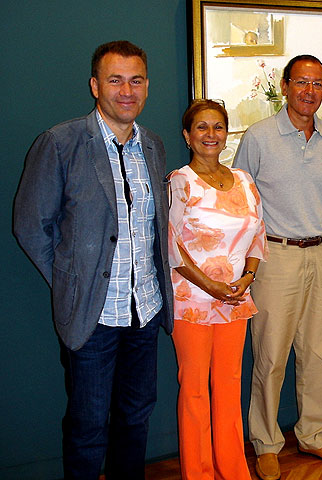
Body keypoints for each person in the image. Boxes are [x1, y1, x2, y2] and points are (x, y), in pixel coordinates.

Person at [13, 40, 173, 479]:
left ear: (146, 86)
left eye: (136, 80)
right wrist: (72, 282)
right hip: (93, 319)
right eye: (115, 79)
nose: (127, 90)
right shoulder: (61, 143)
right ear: (94, 86)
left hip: (145, 311)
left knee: (135, 418)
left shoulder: (153, 145)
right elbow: (30, 226)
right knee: (87, 428)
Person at [233, 54, 322, 480]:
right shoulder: (259, 136)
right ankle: (266, 443)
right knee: (271, 356)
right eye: (301, 82)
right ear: (285, 86)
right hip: (276, 256)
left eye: (318, 84)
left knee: (319, 354)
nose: (309, 91)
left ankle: (315, 435)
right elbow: (242, 203)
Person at [168, 99, 267, 480]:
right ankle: (199, 473)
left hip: (236, 300)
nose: (211, 134)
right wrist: (211, 285)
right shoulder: (180, 181)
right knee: (194, 390)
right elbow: (172, 246)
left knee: (228, 386)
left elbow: (259, 234)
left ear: (227, 133)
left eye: (218, 127)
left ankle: (233, 468)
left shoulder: (243, 180)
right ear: (188, 136)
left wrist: (247, 277)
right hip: (192, 300)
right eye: (202, 128)